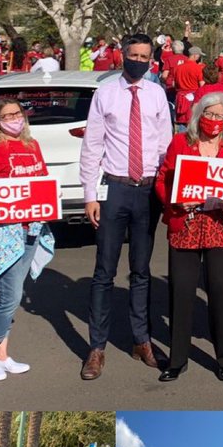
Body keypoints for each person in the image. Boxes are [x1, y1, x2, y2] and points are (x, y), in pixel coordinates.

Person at [79, 33, 171, 380]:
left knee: (141, 272)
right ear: (122, 56)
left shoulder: (158, 94)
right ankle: (97, 347)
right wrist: (90, 195)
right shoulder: (105, 93)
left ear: (151, 59)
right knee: (104, 272)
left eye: (144, 56)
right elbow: (92, 146)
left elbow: (165, 145)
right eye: (133, 54)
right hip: (114, 189)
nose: (138, 60)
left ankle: (141, 340)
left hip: (147, 192)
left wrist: (166, 191)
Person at [153, 92, 223, 383]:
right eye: (210, 113)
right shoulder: (181, 143)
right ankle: (177, 359)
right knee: (181, 293)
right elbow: (163, 179)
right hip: (187, 226)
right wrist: (175, 202)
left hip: (220, 227)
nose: (215, 120)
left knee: (222, 293)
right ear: (198, 114)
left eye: (221, 116)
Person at [0, 97, 55, 381]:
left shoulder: (33, 146)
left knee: (13, 294)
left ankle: (2, 354)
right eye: (7, 116)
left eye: (17, 114)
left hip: (31, 227)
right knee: (10, 296)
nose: (13, 119)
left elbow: (43, 179)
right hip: (6, 231)